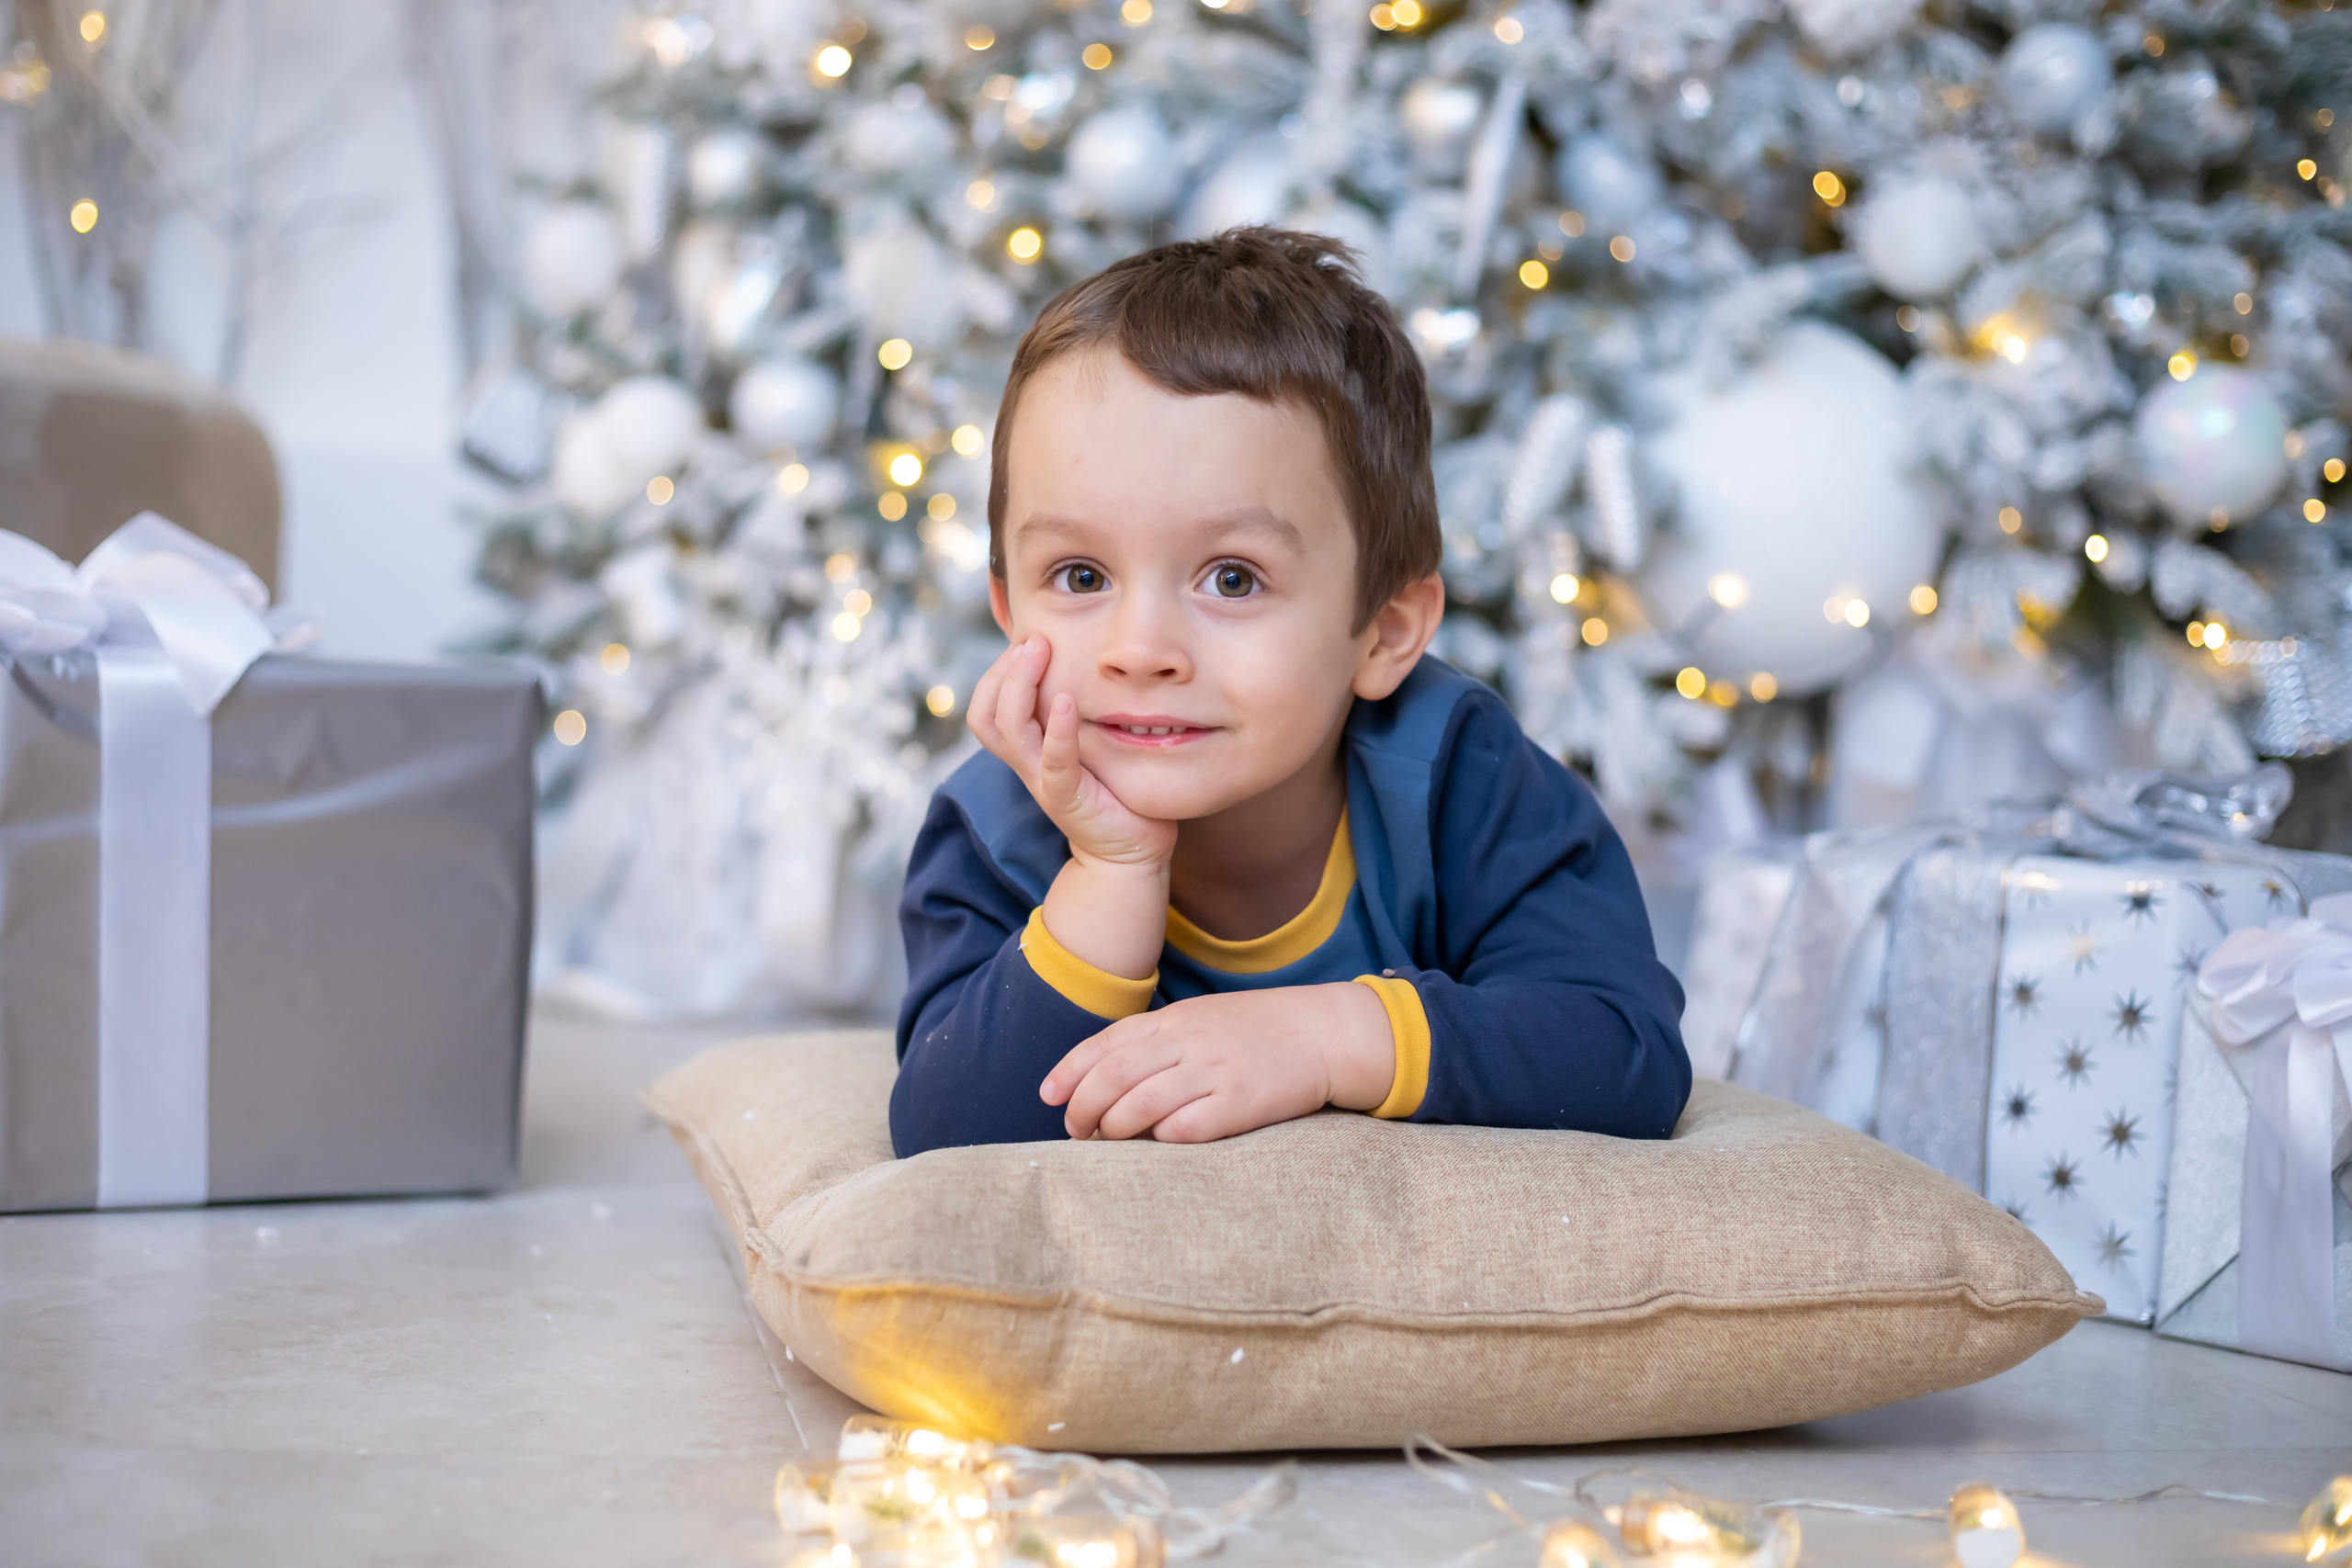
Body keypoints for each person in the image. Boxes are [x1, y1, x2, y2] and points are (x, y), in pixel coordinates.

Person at [890, 227, 1688, 1158]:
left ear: (1383, 631)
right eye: (1077, 576)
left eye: (1231, 579)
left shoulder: (1457, 779)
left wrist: (1322, 1039)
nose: (1139, 651)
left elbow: (1624, 1053)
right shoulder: (996, 826)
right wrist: (1110, 875)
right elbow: (946, 1134)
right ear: (1006, 608)